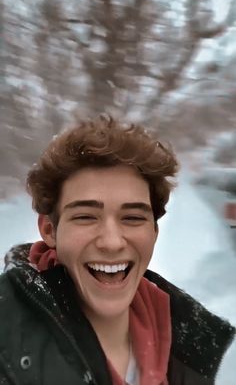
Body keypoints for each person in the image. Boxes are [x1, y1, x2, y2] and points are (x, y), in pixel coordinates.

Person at [0, 115, 235, 385]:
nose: (112, 242)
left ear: (154, 233)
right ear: (50, 230)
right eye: (86, 216)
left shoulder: (201, 346)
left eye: (133, 218)